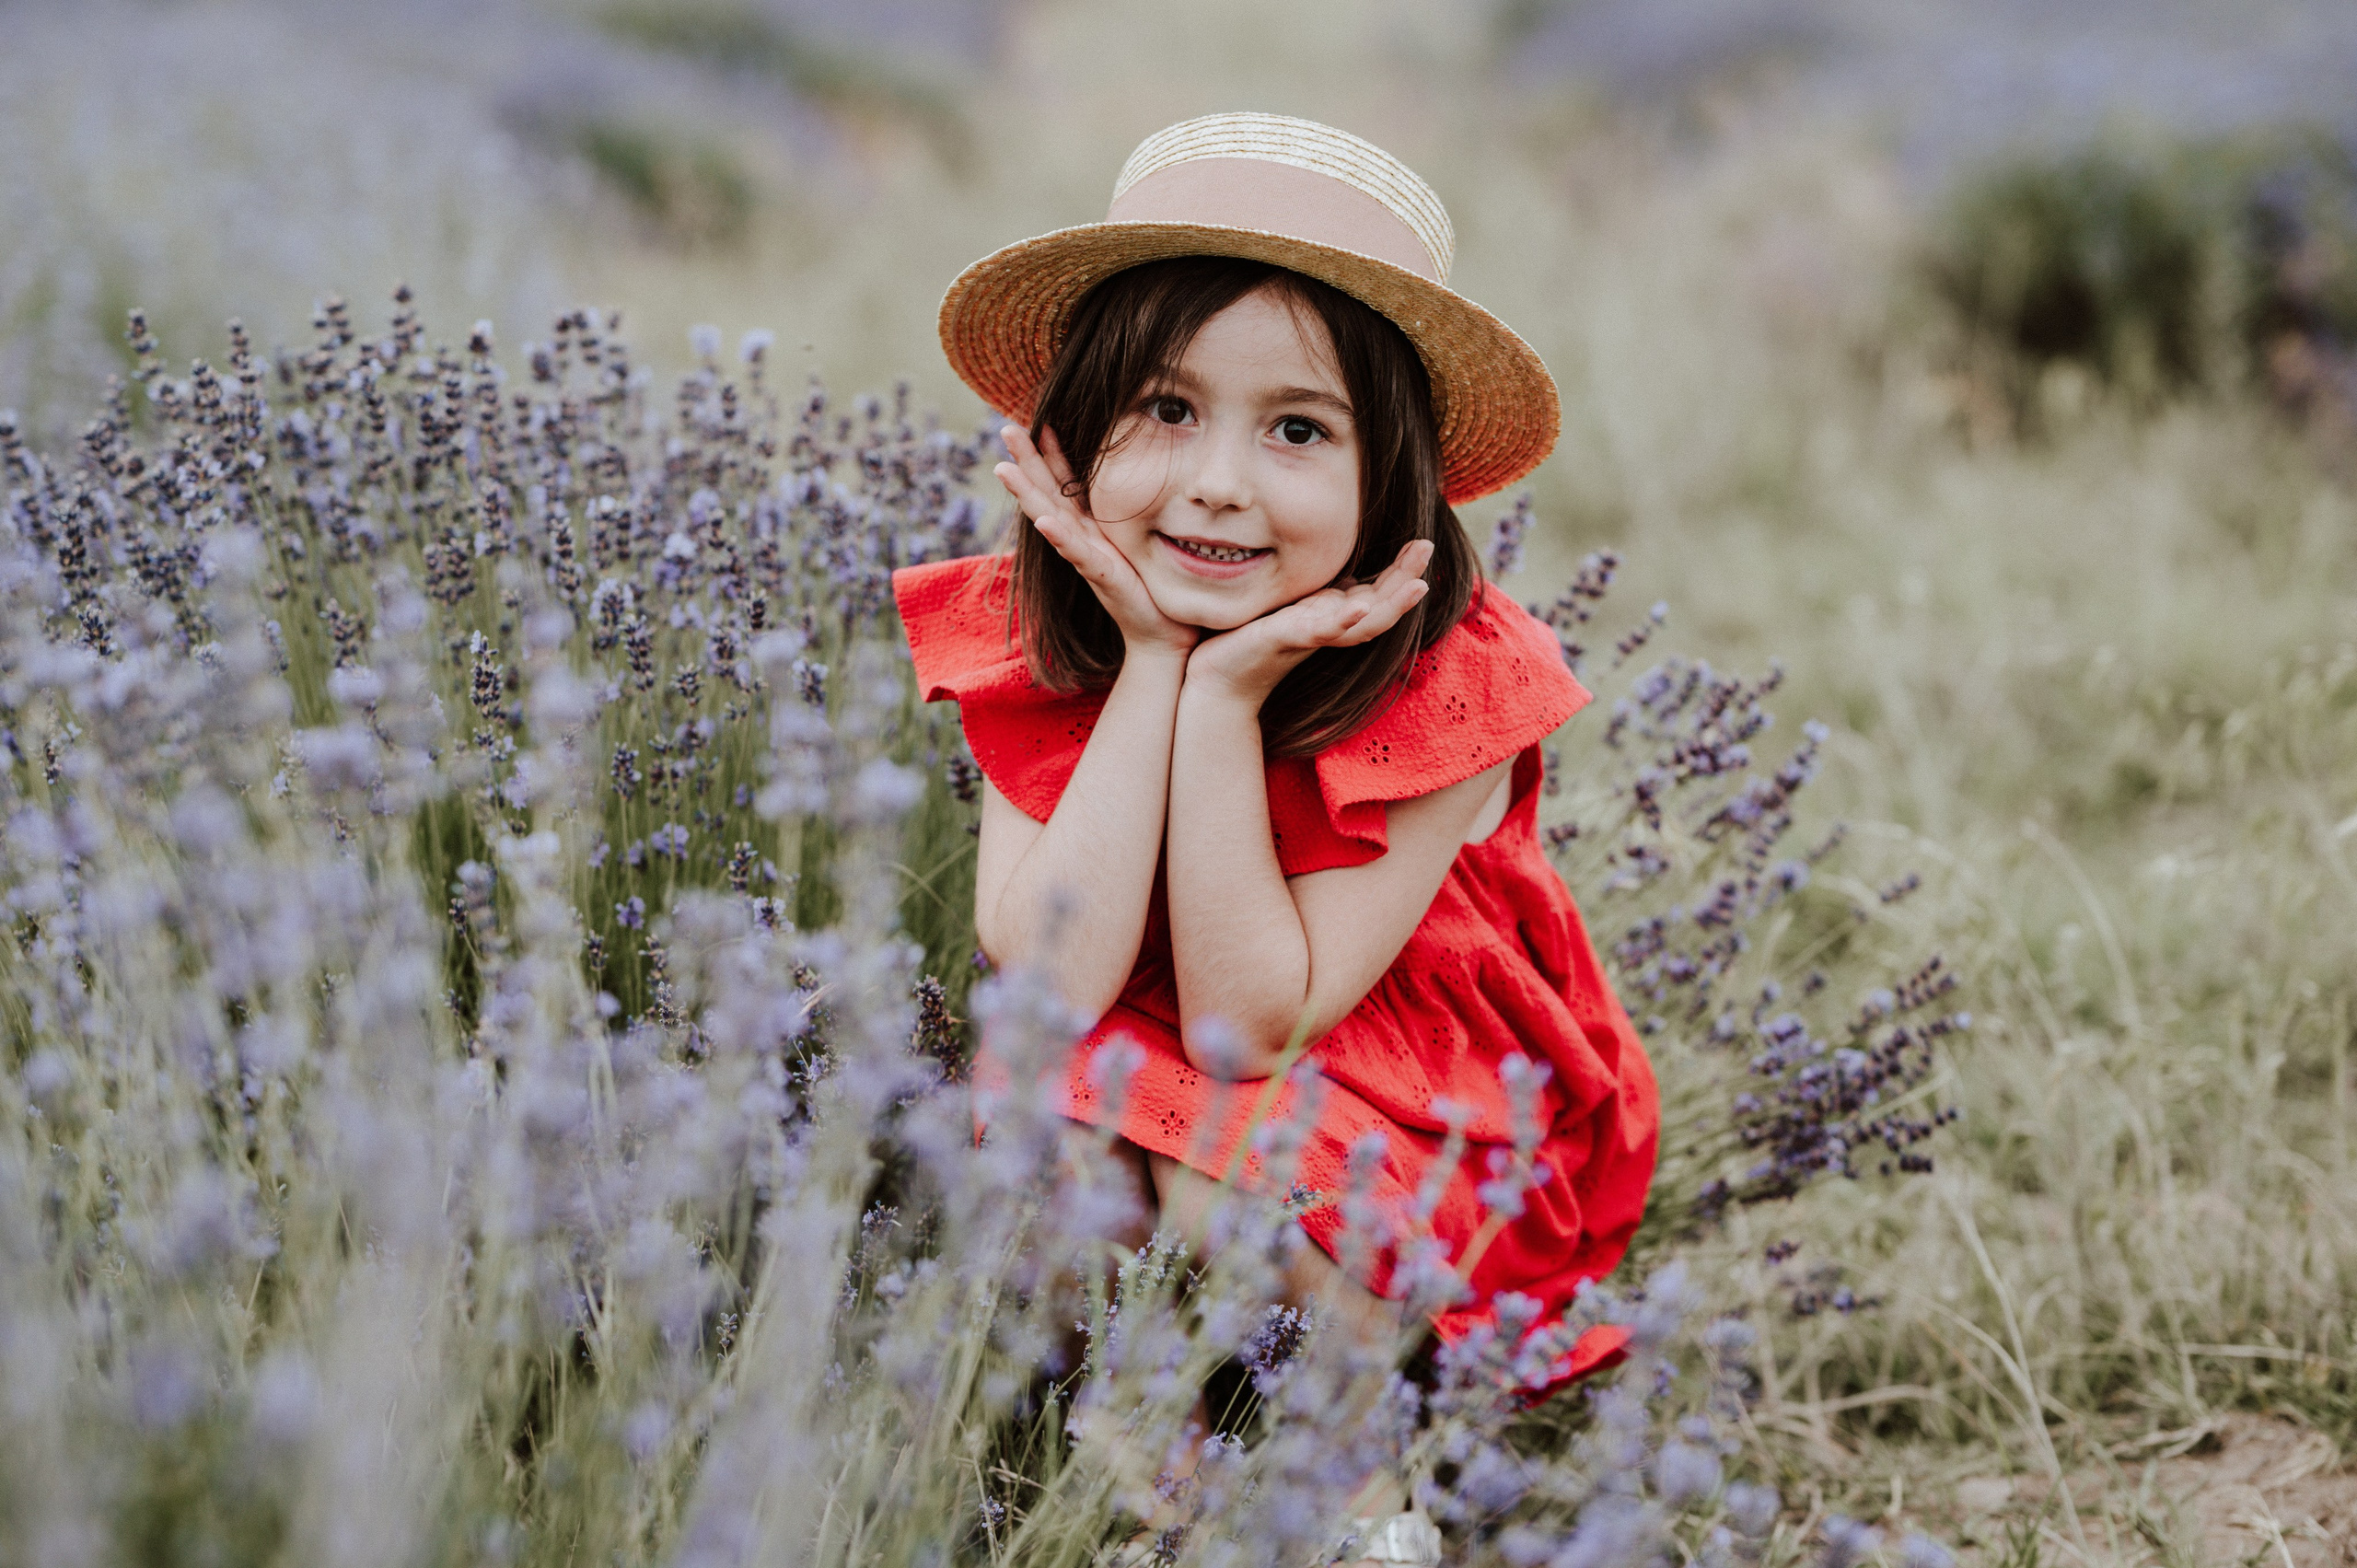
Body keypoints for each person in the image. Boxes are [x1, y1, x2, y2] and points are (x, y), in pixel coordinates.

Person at [890, 113, 1659, 1562]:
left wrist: (1230, 691)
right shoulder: (1040, 636)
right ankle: (1157, 1479)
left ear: (1397, 485)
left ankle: (1363, 1502)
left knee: (1217, 1172)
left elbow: (1251, 1023)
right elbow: (1051, 990)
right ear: (1070, 437)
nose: (1219, 482)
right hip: (1135, 1079)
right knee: (1045, 1158)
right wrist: (1155, 668)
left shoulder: (1449, 678)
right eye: (1166, 411)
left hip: (1403, 1102)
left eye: (1297, 429)